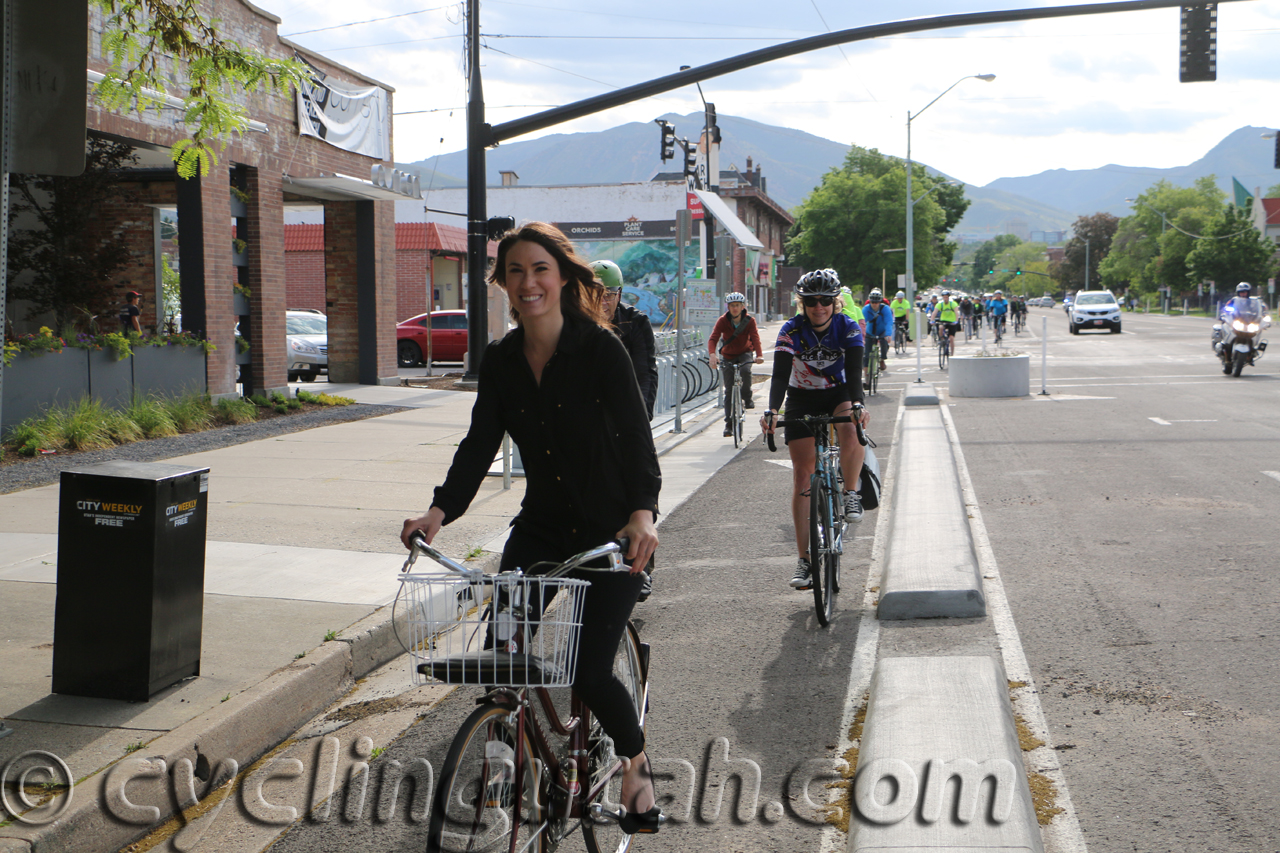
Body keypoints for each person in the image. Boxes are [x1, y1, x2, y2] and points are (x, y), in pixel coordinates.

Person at [400, 222, 663, 834]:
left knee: (591, 671)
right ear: (504, 284)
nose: (528, 282)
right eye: (515, 271)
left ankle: (636, 761)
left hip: (611, 533)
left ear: (564, 277)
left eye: (540, 269)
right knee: (501, 656)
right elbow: (478, 446)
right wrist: (438, 513)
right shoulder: (501, 362)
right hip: (542, 529)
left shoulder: (601, 350)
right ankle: (511, 764)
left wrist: (642, 515)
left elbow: (635, 440)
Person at [759, 268, 869, 592]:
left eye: (824, 301)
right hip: (802, 397)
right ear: (802, 303)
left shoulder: (847, 327)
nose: (818, 307)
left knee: (851, 426)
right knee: (802, 476)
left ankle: (850, 493)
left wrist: (859, 405)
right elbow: (779, 377)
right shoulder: (790, 331)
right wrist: (771, 410)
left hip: (839, 393)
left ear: (834, 302)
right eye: (810, 301)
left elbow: (854, 373)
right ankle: (805, 559)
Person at [591, 260, 658, 420]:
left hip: (625, 404)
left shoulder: (636, 322)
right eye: (595, 295)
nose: (603, 302)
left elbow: (645, 372)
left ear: (619, 295)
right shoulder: (574, 323)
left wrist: (642, 416)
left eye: (609, 295)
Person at [708, 292, 764, 436]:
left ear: (742, 306)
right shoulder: (722, 321)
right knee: (728, 390)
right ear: (728, 307)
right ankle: (729, 424)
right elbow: (713, 339)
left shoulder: (749, 320)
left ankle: (747, 396)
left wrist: (759, 355)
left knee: (746, 371)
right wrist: (713, 355)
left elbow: (755, 338)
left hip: (745, 353)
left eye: (737, 305)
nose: (735, 308)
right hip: (728, 355)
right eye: (732, 306)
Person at [862, 289, 894, 378]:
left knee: (884, 344)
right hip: (870, 332)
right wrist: (861, 336)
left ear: (880, 302)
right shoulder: (866, 309)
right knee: (867, 354)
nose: (874, 304)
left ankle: (882, 359)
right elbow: (862, 322)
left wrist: (888, 334)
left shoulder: (885, 309)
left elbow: (889, 322)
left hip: (882, 331)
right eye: (872, 302)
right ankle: (867, 378)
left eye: (876, 302)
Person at [930, 290, 961, 356]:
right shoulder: (940, 304)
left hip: (952, 321)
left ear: (948, 297)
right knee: (941, 327)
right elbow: (934, 312)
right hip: (943, 320)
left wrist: (956, 320)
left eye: (946, 297)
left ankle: (952, 353)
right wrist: (932, 320)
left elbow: (956, 312)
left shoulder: (953, 304)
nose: (945, 299)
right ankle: (942, 340)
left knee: (951, 338)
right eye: (944, 297)